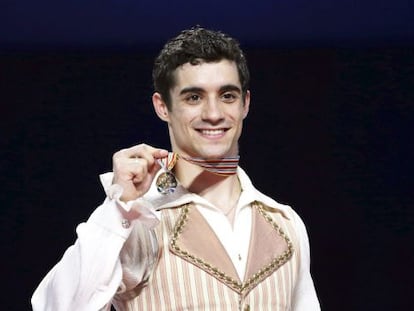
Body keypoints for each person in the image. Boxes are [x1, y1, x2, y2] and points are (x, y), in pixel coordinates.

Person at [31, 26, 320, 311]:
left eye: (227, 96)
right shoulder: (138, 221)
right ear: (162, 107)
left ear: (245, 104)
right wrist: (119, 207)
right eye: (193, 97)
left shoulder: (285, 224)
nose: (213, 114)